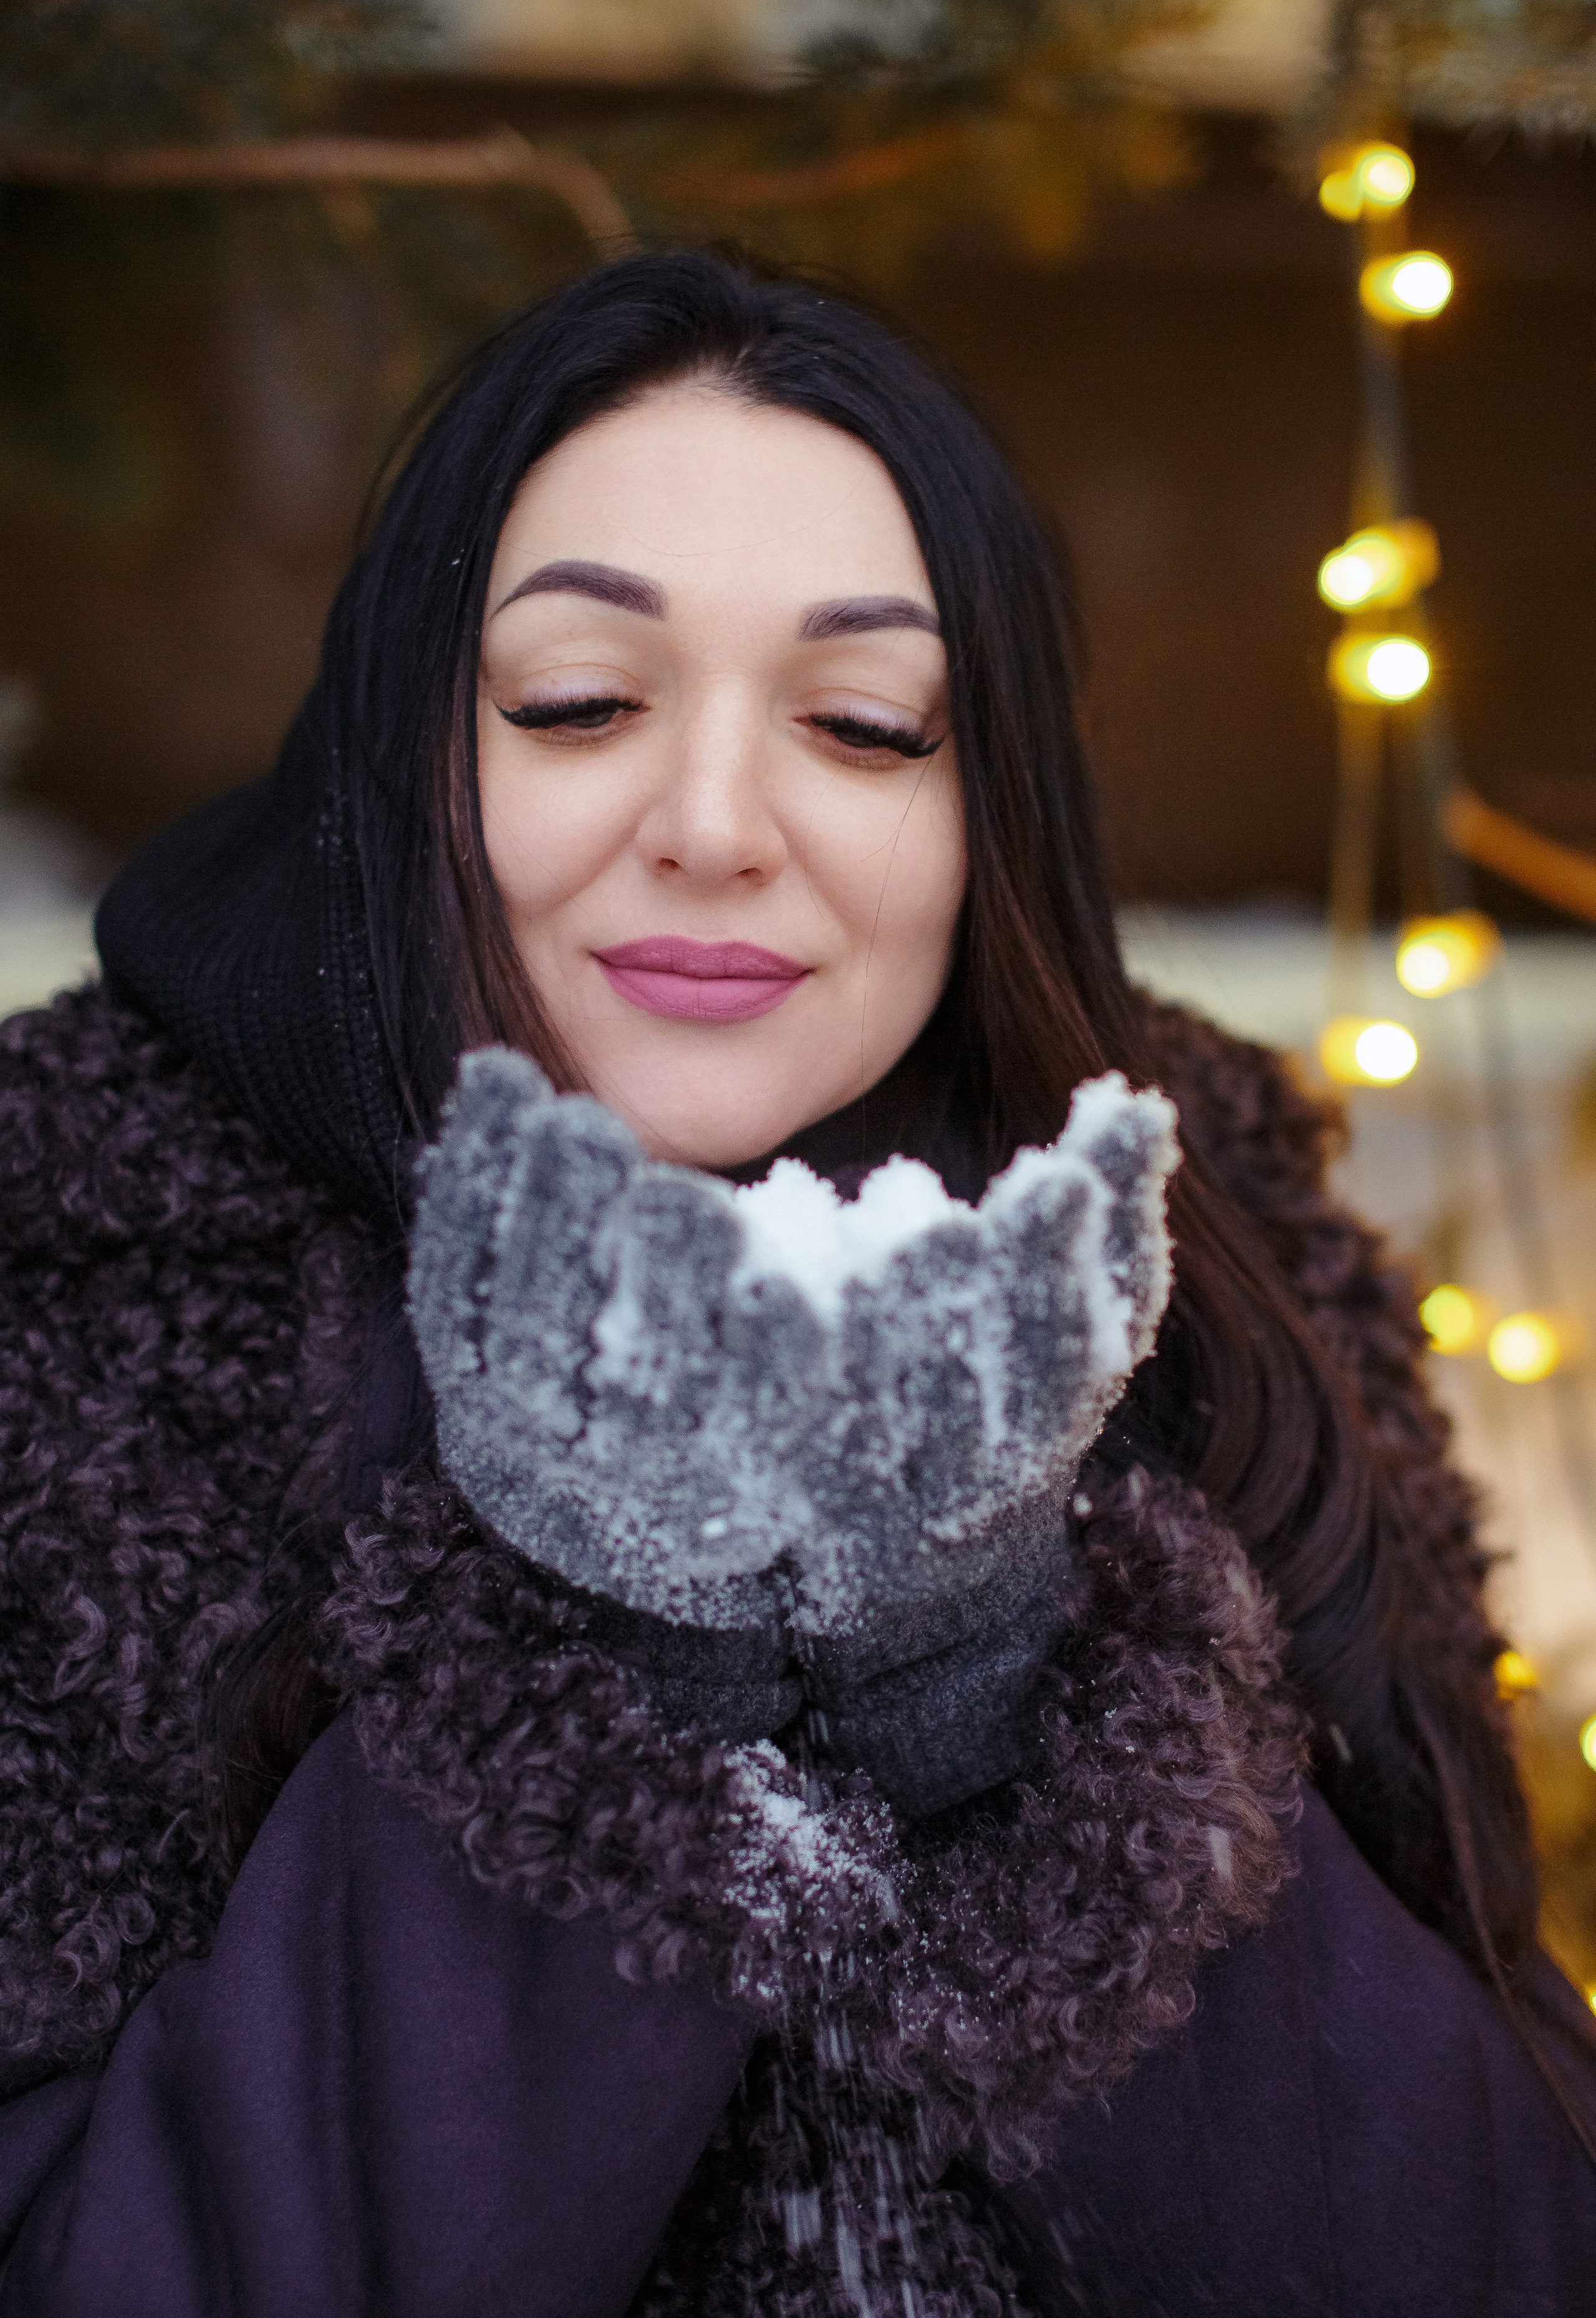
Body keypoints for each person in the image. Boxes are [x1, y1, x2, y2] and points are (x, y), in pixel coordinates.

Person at [1, 248, 1593, 2318]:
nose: (718, 824)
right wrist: (612, 1651)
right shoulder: (77, 1309)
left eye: (864, 725)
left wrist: (1015, 1686)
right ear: (400, 748)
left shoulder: (1203, 1285)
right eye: (579, 703)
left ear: (987, 803)